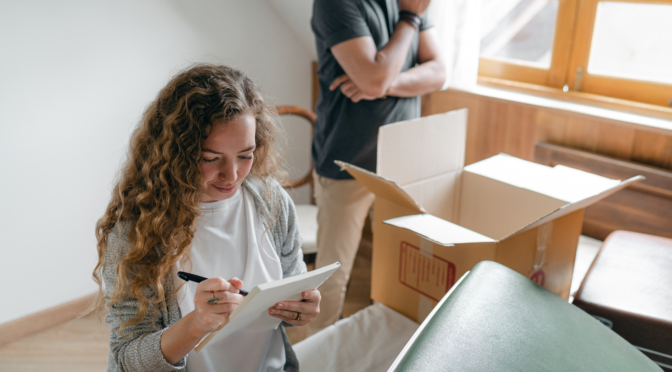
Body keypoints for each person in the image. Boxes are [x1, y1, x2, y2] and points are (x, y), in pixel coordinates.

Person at [89, 64, 319, 372]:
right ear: (176, 153)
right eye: (211, 159)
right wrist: (196, 325)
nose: (232, 175)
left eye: (246, 155)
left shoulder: (273, 202)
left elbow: (288, 303)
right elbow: (126, 359)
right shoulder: (136, 230)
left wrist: (300, 309)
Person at [308, 0, 446, 335]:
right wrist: (410, 18)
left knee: (385, 276)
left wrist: (385, 83)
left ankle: (357, 351)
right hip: (346, 162)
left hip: (400, 165)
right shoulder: (335, 4)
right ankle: (306, 358)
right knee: (331, 279)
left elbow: (439, 72)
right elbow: (372, 78)